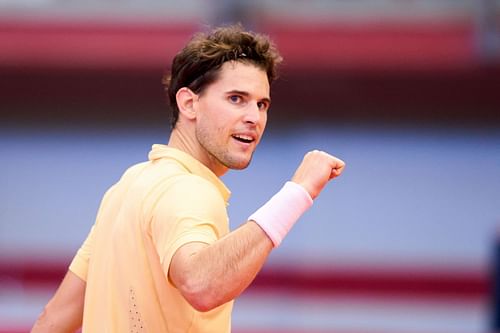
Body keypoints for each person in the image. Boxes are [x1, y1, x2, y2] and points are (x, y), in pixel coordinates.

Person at [31, 24, 345, 333]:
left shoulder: (128, 186)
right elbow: (201, 284)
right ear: (189, 103)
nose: (254, 117)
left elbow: (52, 321)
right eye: (236, 98)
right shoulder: (188, 190)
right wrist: (297, 193)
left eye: (262, 104)